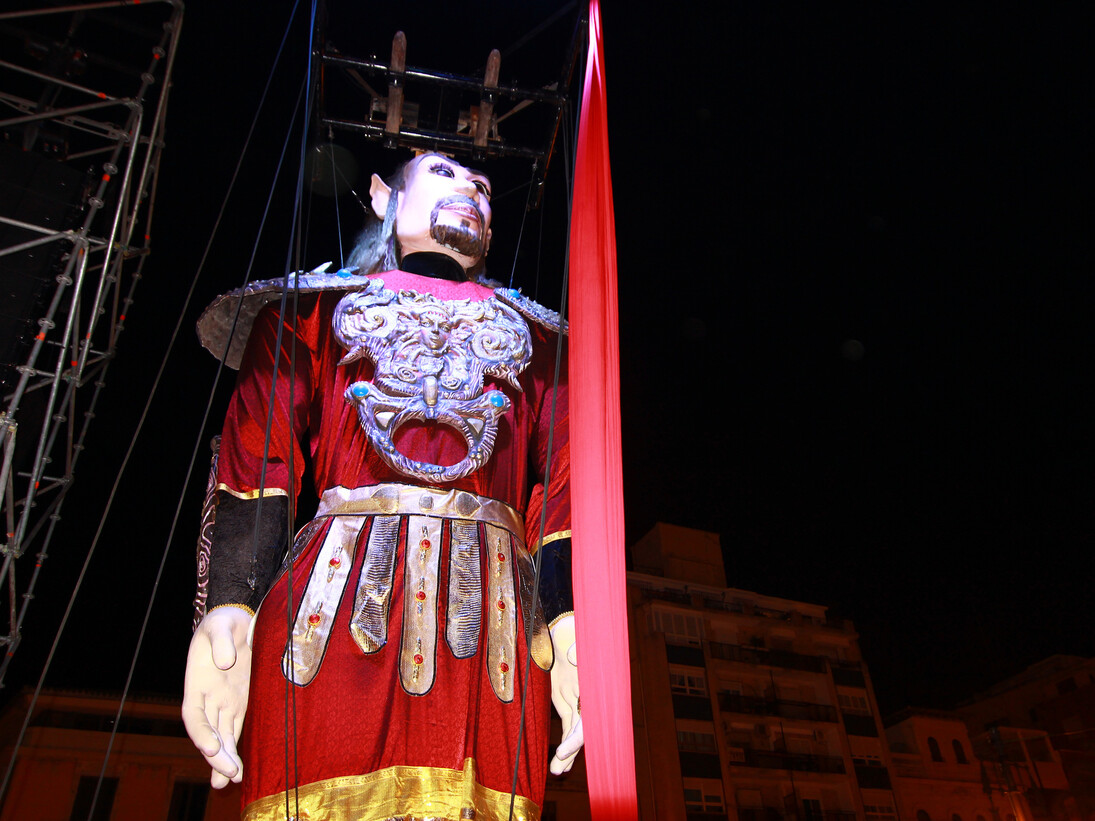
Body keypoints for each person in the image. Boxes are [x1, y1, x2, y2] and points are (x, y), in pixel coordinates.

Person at [182, 153, 582, 821]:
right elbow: (259, 460)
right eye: (443, 173)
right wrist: (227, 608)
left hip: (489, 630)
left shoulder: (541, 341)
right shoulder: (310, 309)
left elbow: (567, 489)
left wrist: (571, 628)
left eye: (482, 187)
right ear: (380, 195)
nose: (471, 192)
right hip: (329, 613)